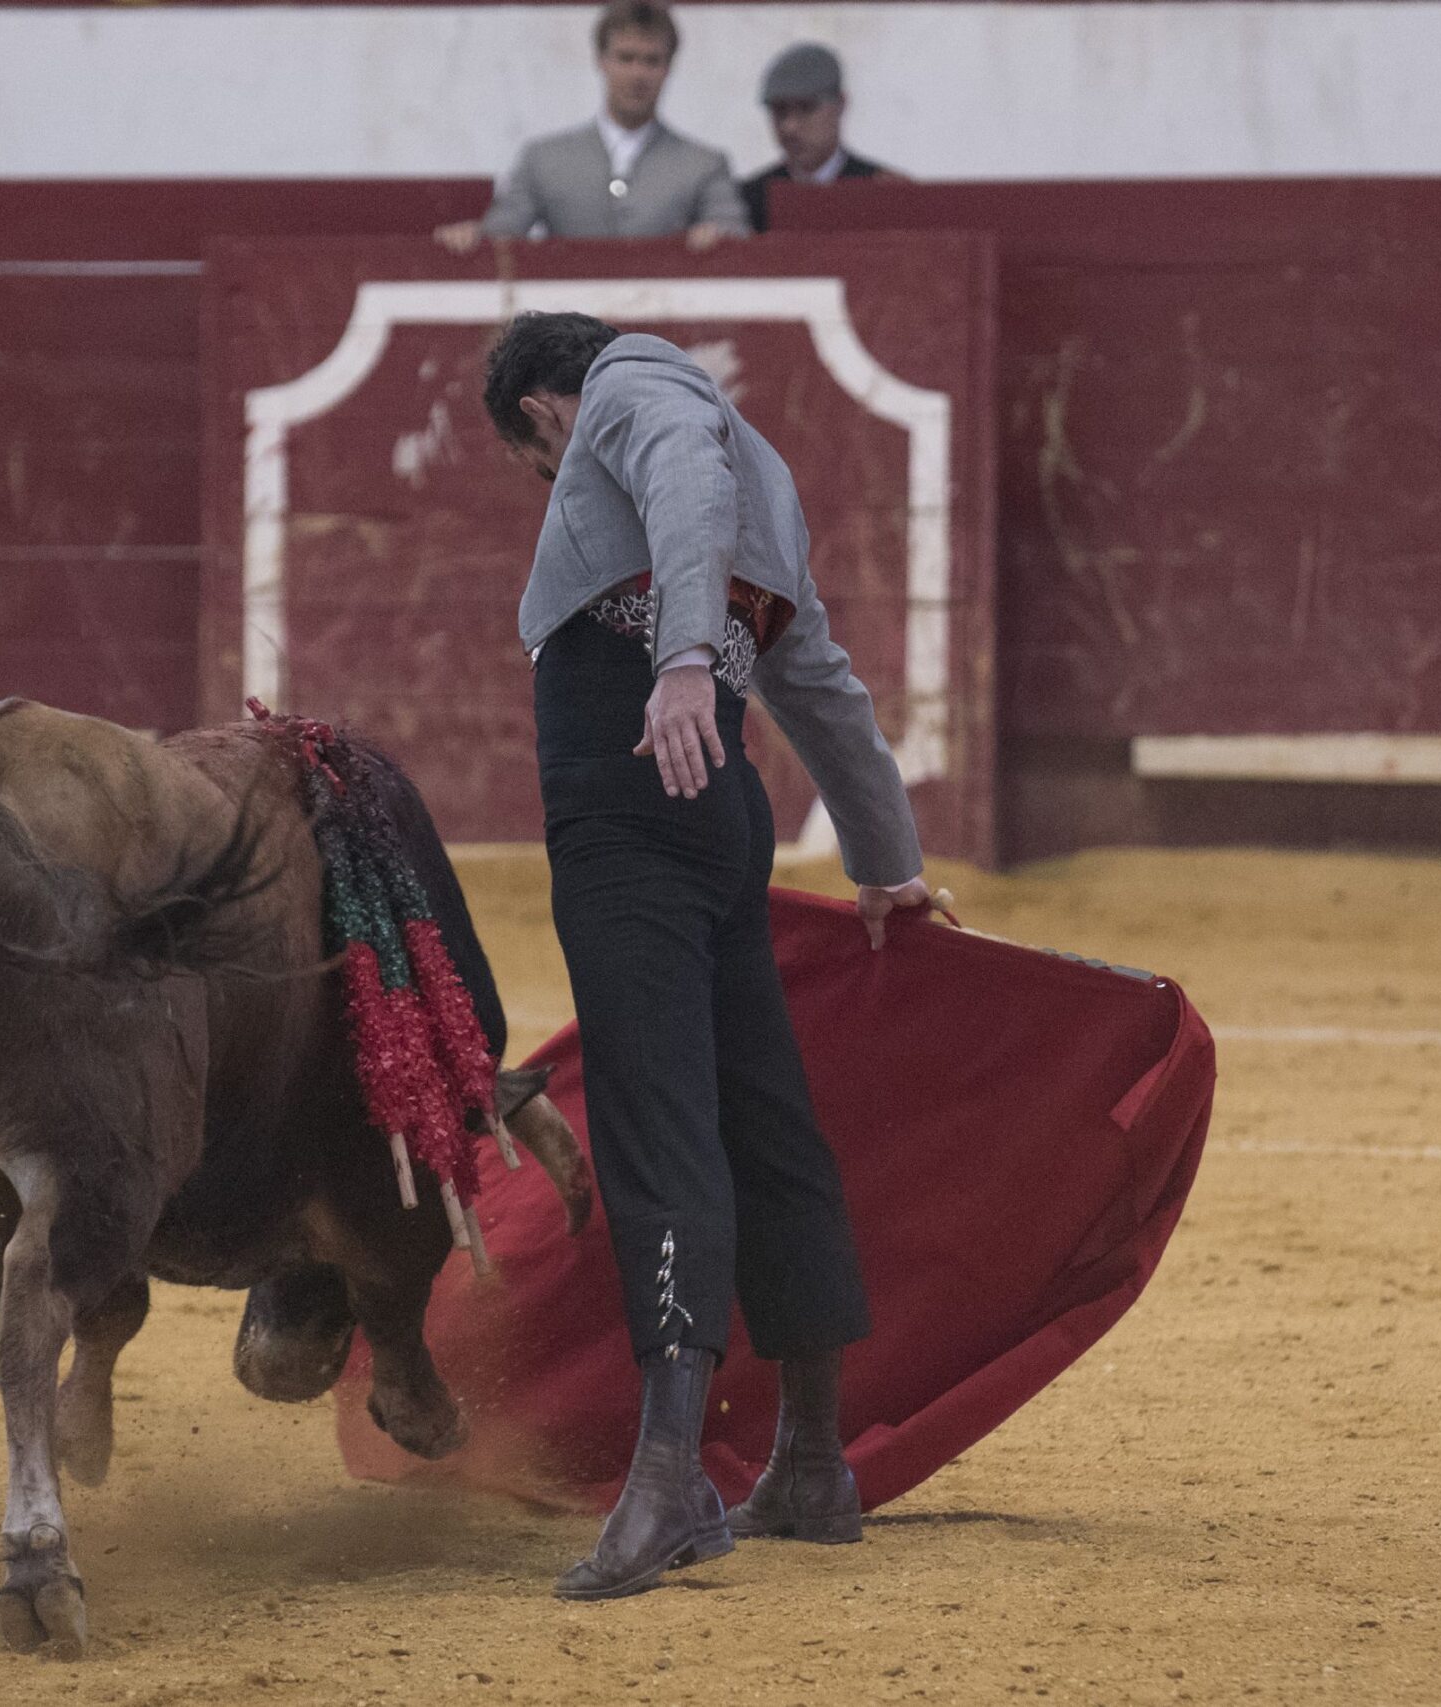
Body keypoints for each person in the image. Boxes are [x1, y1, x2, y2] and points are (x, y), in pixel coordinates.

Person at [480, 311, 931, 1600]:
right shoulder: (766, 477)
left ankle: (673, 1479)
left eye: (536, 465)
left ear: (542, 417)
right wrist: (885, 862)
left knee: (658, 1122)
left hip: (628, 800)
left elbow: (673, 465)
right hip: (715, 808)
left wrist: (678, 661)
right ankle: (807, 1458)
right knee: (761, 1115)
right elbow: (819, 678)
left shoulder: (633, 393)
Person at [437, 1, 747, 254]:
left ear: (668, 68)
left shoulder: (704, 164)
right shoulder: (544, 159)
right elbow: (502, 232)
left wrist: (717, 234)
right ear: (602, 60)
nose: (638, 74)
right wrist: (472, 236)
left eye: (651, 61)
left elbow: (734, 230)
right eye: (626, 58)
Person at [740, 43, 899, 235]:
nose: (790, 127)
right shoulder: (748, 201)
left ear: (840, 104)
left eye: (806, 109)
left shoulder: (884, 193)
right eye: (779, 111)